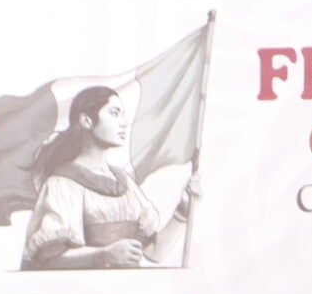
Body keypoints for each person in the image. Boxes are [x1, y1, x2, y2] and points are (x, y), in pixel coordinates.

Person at [20, 86, 197, 271]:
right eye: (114, 113)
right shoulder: (62, 183)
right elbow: (48, 260)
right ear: (86, 121)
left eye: (122, 115)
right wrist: (102, 255)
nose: (124, 123)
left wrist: (183, 211)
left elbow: (154, 252)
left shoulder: (124, 181)